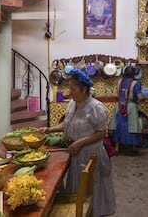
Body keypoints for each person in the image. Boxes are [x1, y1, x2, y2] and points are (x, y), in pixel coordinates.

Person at [41, 68, 116, 217]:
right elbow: (67, 124)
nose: (70, 92)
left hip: (90, 152)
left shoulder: (95, 108)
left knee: (92, 185)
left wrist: (80, 143)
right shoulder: (72, 103)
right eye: (69, 88)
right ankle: (79, 210)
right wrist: (50, 129)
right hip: (76, 151)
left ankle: (93, 212)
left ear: (84, 90)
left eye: (73, 89)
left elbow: (101, 133)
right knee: (78, 183)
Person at [109, 65, 146, 155]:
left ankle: (117, 148)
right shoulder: (136, 83)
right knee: (132, 127)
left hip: (120, 106)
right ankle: (133, 148)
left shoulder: (119, 82)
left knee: (119, 126)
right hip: (130, 107)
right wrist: (146, 99)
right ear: (134, 74)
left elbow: (118, 94)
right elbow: (139, 97)